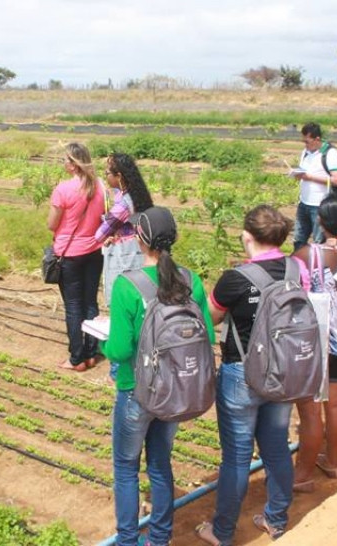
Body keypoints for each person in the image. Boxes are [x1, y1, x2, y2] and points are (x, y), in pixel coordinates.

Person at [196, 205, 308, 545]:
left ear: (248, 236)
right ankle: (276, 520)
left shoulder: (236, 278)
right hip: (284, 370)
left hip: (241, 373)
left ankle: (223, 531)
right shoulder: (296, 268)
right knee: (276, 447)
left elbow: (210, 318)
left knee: (237, 456)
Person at [102, 207, 214, 546]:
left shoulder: (127, 285)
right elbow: (206, 336)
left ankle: (127, 540)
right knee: (160, 463)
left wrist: (104, 344)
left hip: (136, 389)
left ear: (139, 239)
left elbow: (120, 351)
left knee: (125, 467)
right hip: (175, 388)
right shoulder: (191, 280)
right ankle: (160, 538)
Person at [290, 194, 337, 492]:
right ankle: (332, 462)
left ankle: (302, 475)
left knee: (310, 411)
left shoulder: (308, 254)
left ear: (320, 220)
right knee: (335, 402)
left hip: (317, 340)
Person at [48, 143, 106, 371]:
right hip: (94, 250)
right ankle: (92, 352)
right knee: (90, 302)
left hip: (70, 254)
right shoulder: (100, 185)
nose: (64, 163)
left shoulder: (63, 189)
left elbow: (52, 224)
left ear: (73, 164)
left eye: (66, 160)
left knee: (73, 306)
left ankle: (77, 358)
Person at [95, 152, 153, 307]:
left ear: (119, 176)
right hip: (139, 255)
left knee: (122, 303)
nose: (106, 177)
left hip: (124, 259)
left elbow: (100, 234)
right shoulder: (138, 196)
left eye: (107, 173)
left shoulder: (123, 205)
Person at [291, 122, 337, 250]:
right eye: (303, 141)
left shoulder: (330, 154)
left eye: (307, 141)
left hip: (320, 206)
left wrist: (309, 177)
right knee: (298, 240)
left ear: (317, 139)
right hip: (304, 203)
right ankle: (299, 266)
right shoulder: (306, 152)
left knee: (319, 242)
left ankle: (316, 268)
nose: (305, 145)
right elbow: (304, 172)